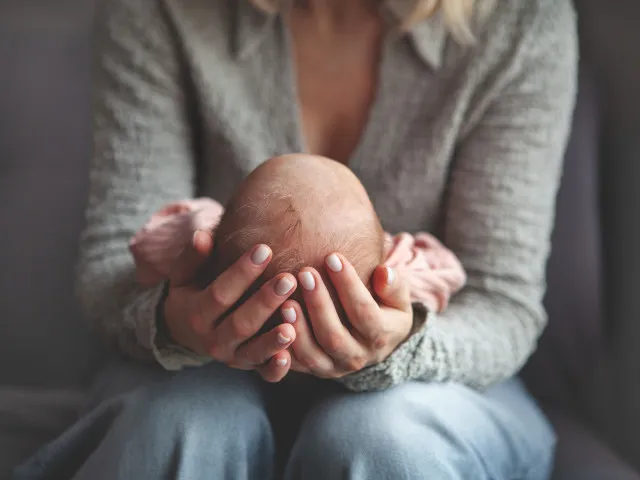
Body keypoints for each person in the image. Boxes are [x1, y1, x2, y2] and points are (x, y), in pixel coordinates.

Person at [14, 0, 578, 479]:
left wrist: (401, 345)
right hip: (198, 373)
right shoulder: (163, 11)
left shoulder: (518, 23)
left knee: (387, 443)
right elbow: (116, 264)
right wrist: (177, 322)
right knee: (178, 427)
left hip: (437, 382)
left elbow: (501, 304)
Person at [129, 153, 467, 333]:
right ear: (386, 242)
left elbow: (144, 245)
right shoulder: (396, 272)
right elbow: (448, 273)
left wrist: (195, 226)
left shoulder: (199, 244)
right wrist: (408, 317)